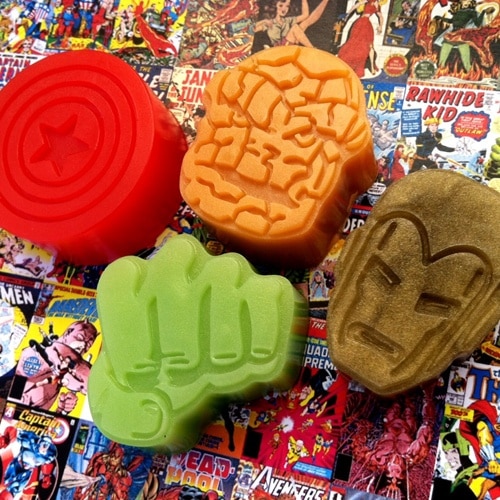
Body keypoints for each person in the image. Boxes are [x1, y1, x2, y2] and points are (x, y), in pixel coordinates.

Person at [337, 0, 383, 77]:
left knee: (370, 46)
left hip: (366, 25)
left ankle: (372, 67)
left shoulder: (377, 4)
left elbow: (381, 16)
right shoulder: (369, 1)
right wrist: (347, 13)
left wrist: (381, 26)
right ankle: (354, 63)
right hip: (360, 23)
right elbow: (357, 4)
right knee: (353, 42)